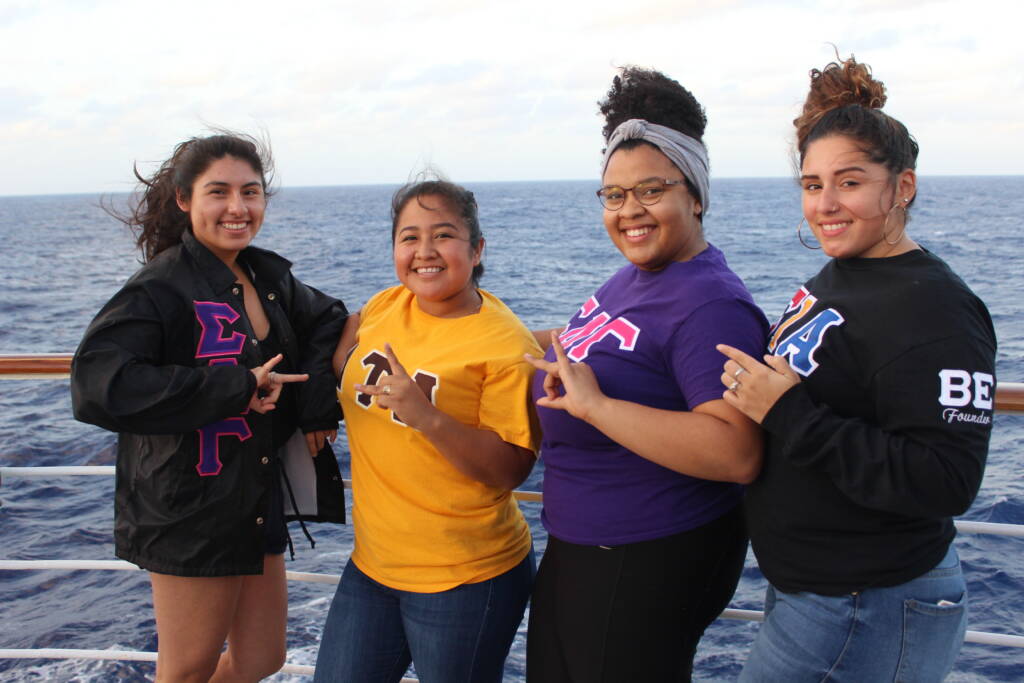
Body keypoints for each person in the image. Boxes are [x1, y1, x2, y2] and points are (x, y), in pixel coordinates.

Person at [717, 55, 997, 682]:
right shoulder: (844, 271)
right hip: (816, 593)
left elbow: (947, 480)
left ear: (902, 186)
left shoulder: (937, 307)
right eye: (812, 184)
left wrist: (788, 412)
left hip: (868, 602)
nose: (825, 204)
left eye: (849, 182)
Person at [71, 132, 348, 682]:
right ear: (184, 199)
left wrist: (316, 406)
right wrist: (234, 387)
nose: (237, 207)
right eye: (218, 192)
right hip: (190, 507)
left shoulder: (267, 278)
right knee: (187, 669)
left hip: (254, 495)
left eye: (250, 192)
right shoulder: (161, 285)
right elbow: (97, 381)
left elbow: (331, 320)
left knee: (262, 658)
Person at [524, 67, 767, 682]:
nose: (629, 210)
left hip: (646, 553)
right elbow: (614, 346)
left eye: (651, 190)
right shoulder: (635, 278)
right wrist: (484, 340)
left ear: (696, 196)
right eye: (614, 195)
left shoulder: (711, 303)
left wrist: (597, 407)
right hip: (587, 545)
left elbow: (736, 451)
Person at [313, 178, 540, 683]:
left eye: (443, 235)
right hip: (373, 565)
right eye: (409, 237)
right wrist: (316, 409)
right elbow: (343, 354)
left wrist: (429, 419)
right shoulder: (384, 305)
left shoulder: (505, 345)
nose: (425, 251)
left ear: (477, 250)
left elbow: (511, 468)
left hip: (465, 578)